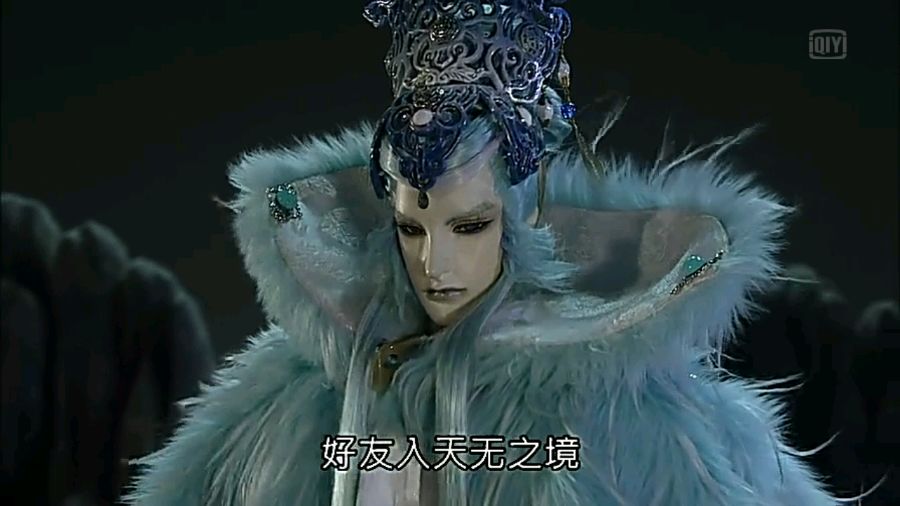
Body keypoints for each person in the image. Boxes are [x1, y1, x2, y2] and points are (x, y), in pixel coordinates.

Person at [127, 1, 842, 504]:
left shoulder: (636, 410)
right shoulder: (300, 390)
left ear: (517, 220)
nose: (433, 264)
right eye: (412, 229)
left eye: (468, 226)